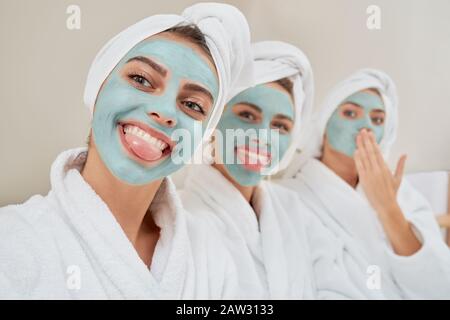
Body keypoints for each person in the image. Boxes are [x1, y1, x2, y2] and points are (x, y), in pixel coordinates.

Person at [0, 3, 254, 299]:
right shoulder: (13, 242)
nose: (164, 112)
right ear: (97, 86)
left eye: (193, 105)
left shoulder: (211, 257)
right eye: (141, 80)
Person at [180, 41, 364, 299]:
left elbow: (338, 287)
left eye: (281, 126)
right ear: (214, 121)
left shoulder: (294, 208)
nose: (263, 137)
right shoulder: (181, 216)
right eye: (247, 116)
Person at [280, 68, 450, 299]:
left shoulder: (402, 194)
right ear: (324, 126)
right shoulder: (288, 197)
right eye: (350, 113)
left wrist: (389, 208)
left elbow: (439, 284)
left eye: (378, 119)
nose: (366, 125)